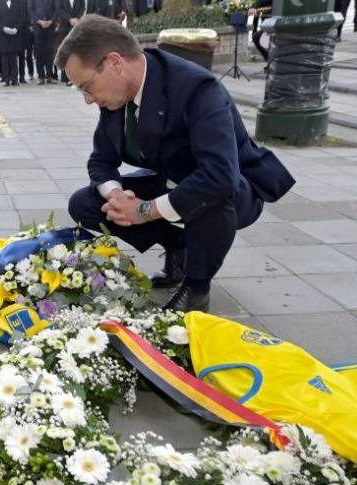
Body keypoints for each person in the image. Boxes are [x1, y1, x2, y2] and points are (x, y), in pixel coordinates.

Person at [57, 16, 295, 312]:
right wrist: (116, 195)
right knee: (85, 203)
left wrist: (144, 211)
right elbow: (101, 160)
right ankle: (178, 246)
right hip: (172, 178)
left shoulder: (197, 88)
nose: (88, 100)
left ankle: (196, 287)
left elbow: (219, 175)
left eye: (87, 87)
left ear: (115, 63)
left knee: (212, 194)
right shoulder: (117, 95)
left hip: (234, 189)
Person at [0, 0, 28, 86]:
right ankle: (6, 79)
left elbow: (22, 16)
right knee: (4, 57)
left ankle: (14, 78)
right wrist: (3, 28)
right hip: (3, 34)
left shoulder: (18, 2)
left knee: (13, 56)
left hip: (15, 33)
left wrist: (16, 28)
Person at [57, 0, 86, 85]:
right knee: (65, 52)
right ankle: (65, 76)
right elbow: (59, 9)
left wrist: (77, 18)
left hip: (77, 27)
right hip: (64, 27)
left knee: (76, 52)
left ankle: (76, 76)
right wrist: (69, 19)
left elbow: (82, 7)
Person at [30, 0, 58, 84]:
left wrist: (51, 21)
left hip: (50, 26)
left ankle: (49, 75)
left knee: (49, 51)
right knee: (39, 52)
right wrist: (39, 21)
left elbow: (57, 9)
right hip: (38, 27)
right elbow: (30, 9)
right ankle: (41, 76)